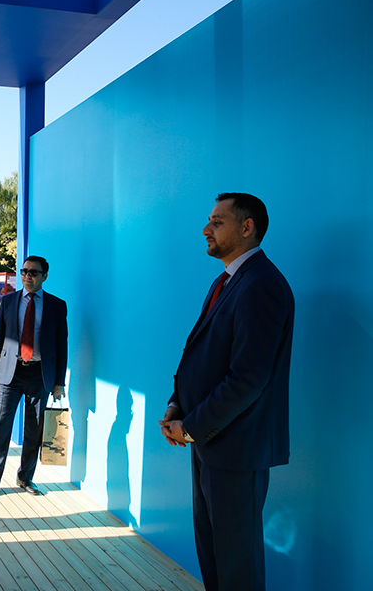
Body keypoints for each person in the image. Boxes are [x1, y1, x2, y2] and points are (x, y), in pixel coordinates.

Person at [159, 193, 294, 591]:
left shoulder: (262, 284)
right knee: (214, 556)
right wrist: (177, 405)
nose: (206, 229)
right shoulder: (227, 282)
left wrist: (191, 427)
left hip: (236, 447)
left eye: (217, 222)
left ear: (247, 227)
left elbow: (246, 379)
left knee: (237, 565)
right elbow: (202, 356)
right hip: (210, 442)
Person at [0, 255, 68, 498]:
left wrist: (59, 382)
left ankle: (25, 478)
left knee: (34, 430)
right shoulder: (8, 301)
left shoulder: (57, 306)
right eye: (24, 271)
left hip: (40, 374)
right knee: (0, 428)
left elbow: (61, 346)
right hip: (9, 374)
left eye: (33, 272)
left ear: (44, 276)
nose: (27, 276)